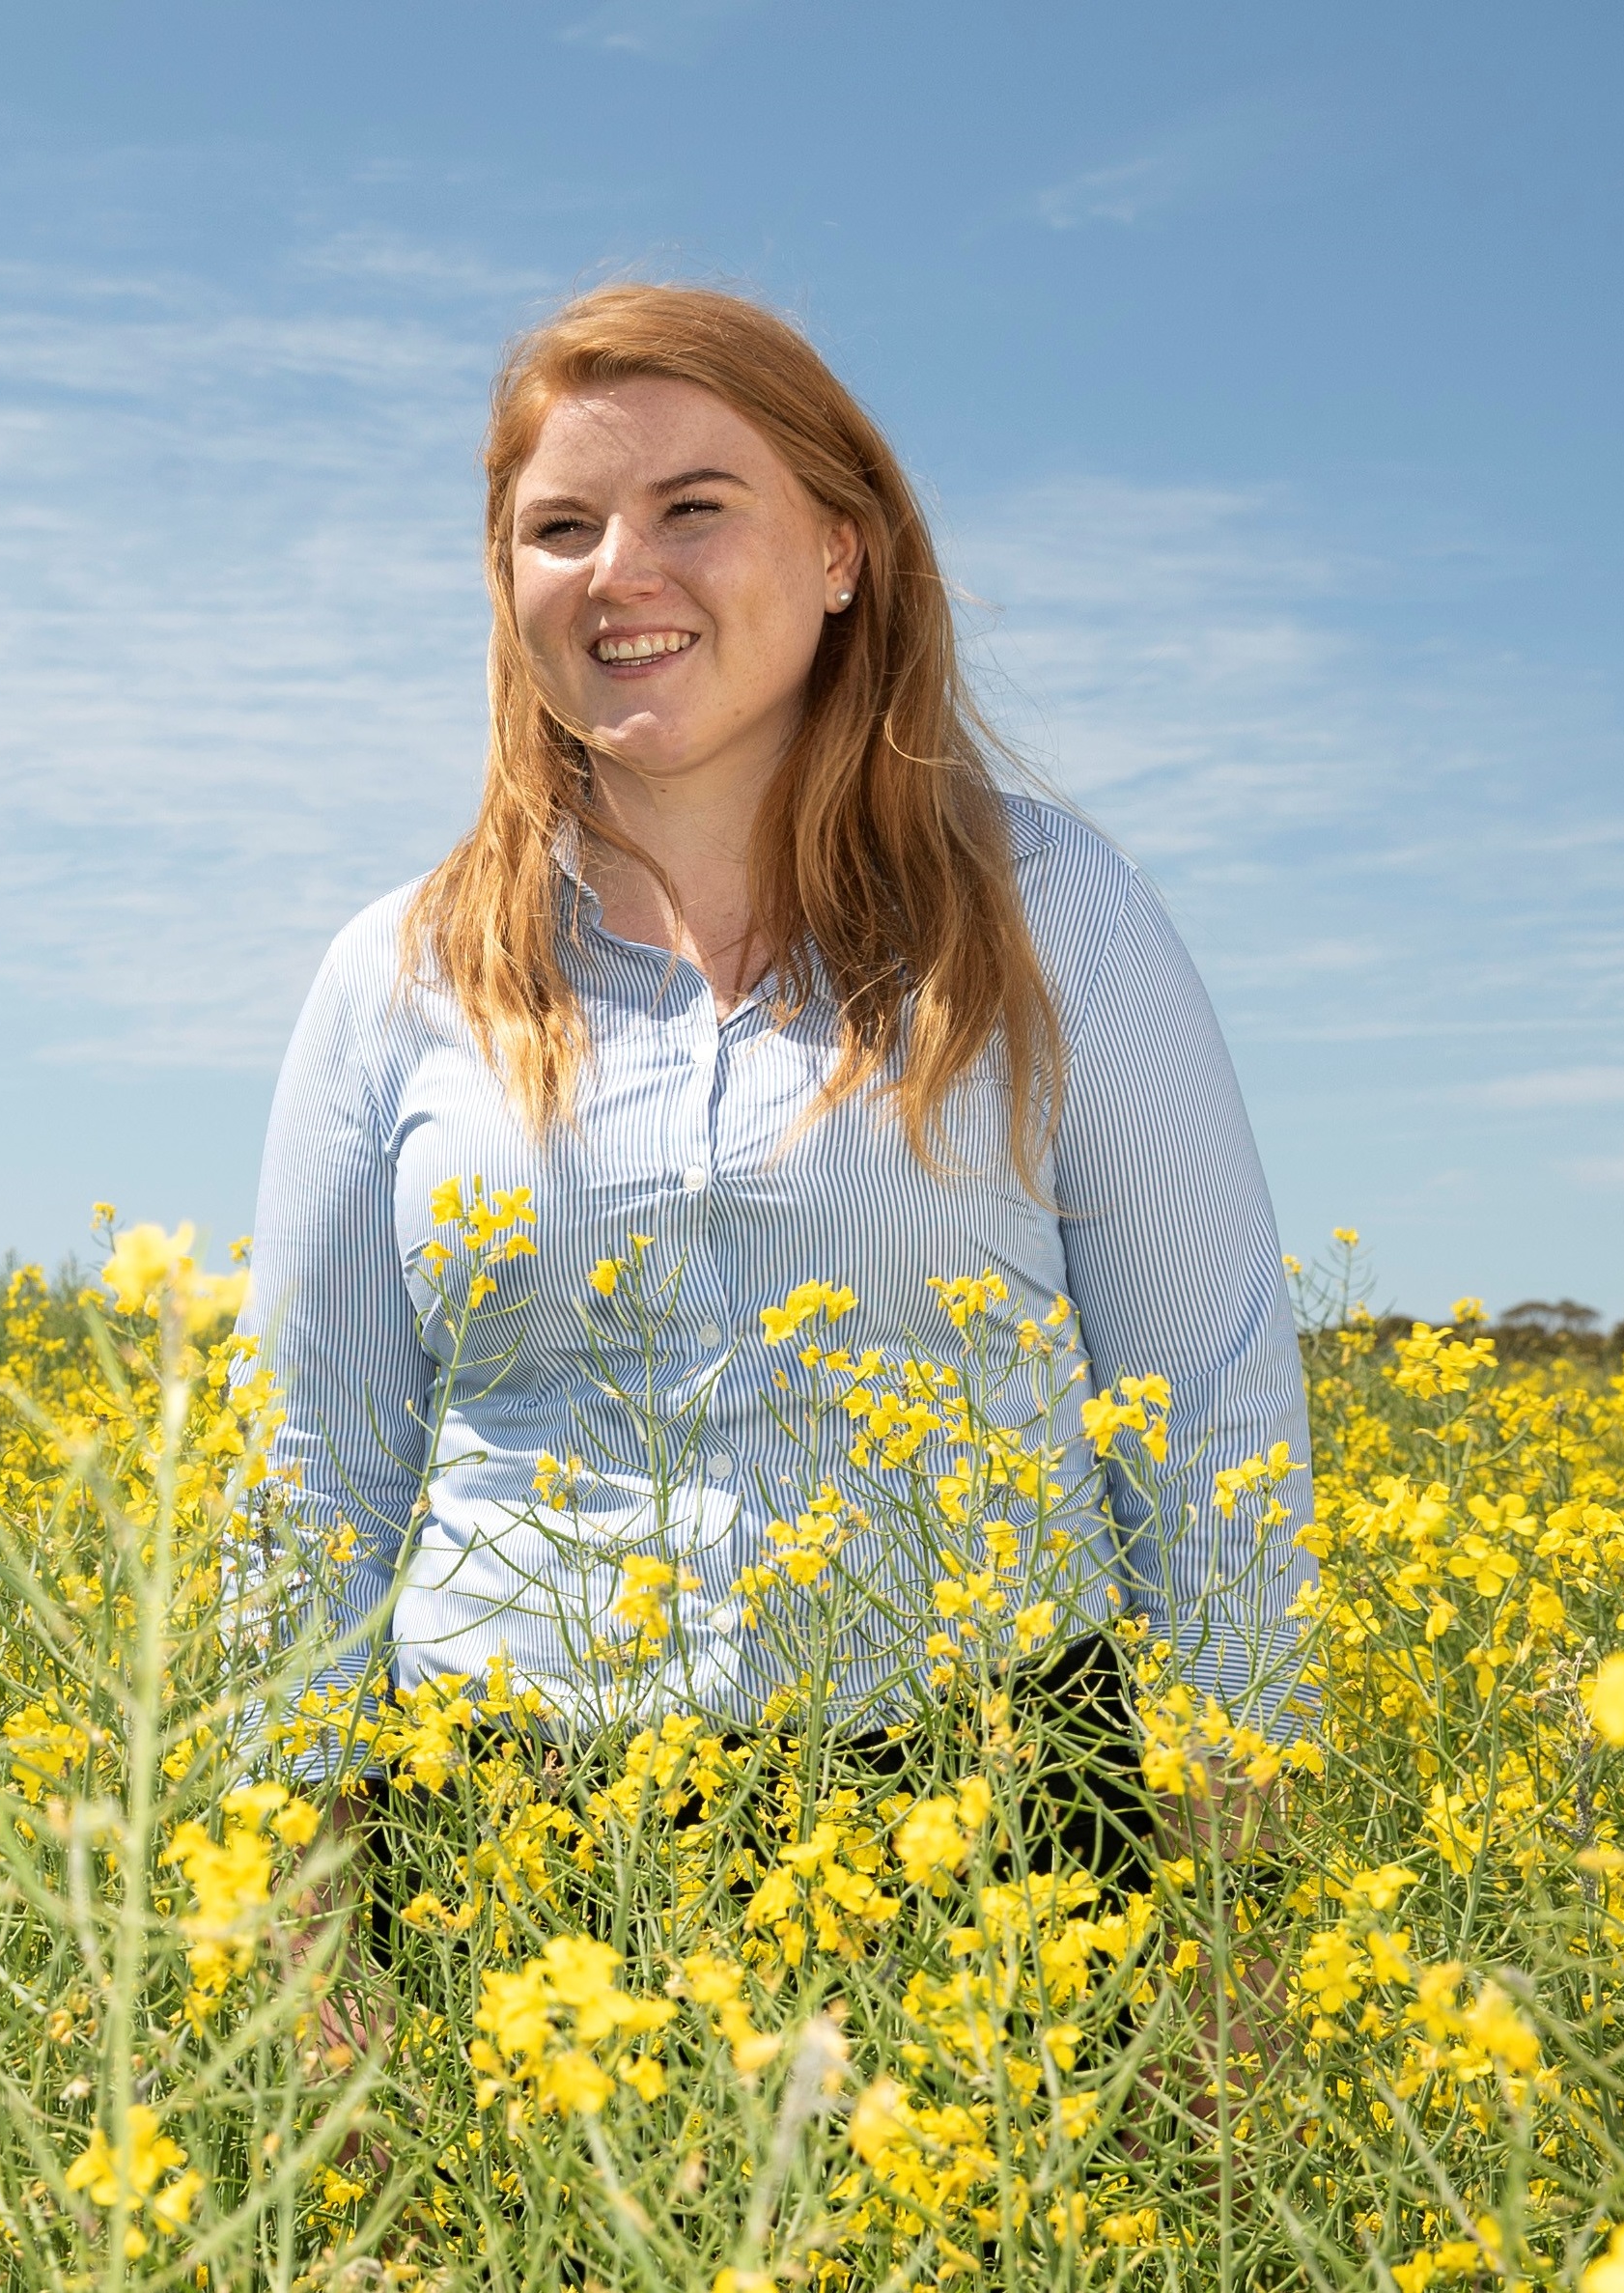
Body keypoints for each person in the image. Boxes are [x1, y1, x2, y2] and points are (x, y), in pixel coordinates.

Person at [240, 283, 1312, 1874]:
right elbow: (312, 1477)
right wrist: (294, 1930)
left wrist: (1240, 1900)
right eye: (561, 529)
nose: (622, 574)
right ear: (504, 582)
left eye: (694, 508)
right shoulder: (398, 977)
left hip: (1000, 1815)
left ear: (839, 552)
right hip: (511, 1849)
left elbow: (1214, 1413)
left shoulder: (1051, 911)